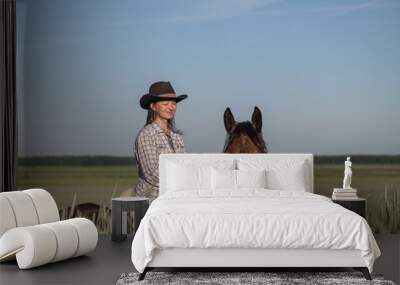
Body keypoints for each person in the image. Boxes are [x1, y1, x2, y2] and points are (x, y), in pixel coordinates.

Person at [133, 81, 188, 199]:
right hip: (151, 200)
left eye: (173, 103)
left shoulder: (177, 137)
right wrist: (183, 179)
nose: (171, 107)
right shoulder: (146, 135)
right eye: (165, 103)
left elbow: (184, 163)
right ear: (153, 106)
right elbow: (153, 174)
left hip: (174, 197)